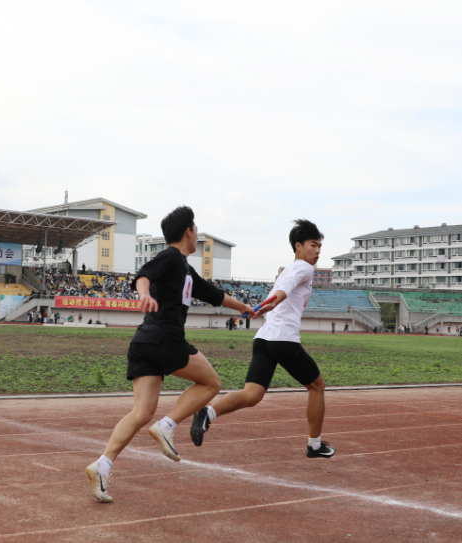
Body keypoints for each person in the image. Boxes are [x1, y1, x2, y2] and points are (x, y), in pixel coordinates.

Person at [86, 206, 253, 503]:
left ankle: (102, 465)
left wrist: (244, 308)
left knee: (141, 412)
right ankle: (167, 426)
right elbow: (143, 274)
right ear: (188, 231)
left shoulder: (185, 270)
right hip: (165, 338)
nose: (198, 234)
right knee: (212, 384)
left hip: (145, 342)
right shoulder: (172, 257)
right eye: (196, 229)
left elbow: (212, 293)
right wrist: (144, 293)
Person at [193, 220, 335, 460]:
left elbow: (277, 295)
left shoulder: (286, 271)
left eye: (320, 246)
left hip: (263, 340)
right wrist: (265, 305)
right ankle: (314, 445)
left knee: (252, 394)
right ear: (298, 246)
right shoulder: (304, 269)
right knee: (317, 386)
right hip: (284, 341)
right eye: (313, 245)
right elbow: (282, 293)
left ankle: (208, 413)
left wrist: (260, 310)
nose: (318, 251)